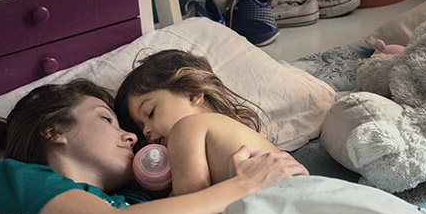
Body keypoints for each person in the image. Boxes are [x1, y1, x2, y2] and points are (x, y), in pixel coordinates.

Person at [0, 79, 308, 214]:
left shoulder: (139, 201)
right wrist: (245, 185)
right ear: (54, 131)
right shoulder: (7, 176)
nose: (131, 137)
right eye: (107, 120)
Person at [114, 49, 303, 196]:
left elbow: (190, 207)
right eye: (140, 128)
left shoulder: (186, 128)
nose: (146, 131)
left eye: (150, 112)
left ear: (193, 93)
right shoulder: (222, 129)